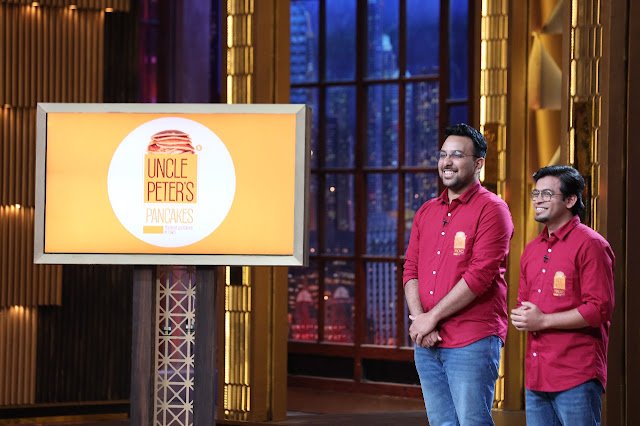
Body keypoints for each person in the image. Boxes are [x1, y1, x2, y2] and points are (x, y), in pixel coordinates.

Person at [403, 123, 514, 425]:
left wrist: (431, 318)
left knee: (472, 422)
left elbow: (480, 276)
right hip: (427, 341)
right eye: (443, 155)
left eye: (457, 155)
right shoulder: (427, 211)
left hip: (471, 339)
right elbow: (410, 269)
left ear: (478, 164)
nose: (447, 162)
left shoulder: (493, 209)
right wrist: (421, 320)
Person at [511, 165, 614, 426]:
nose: (538, 200)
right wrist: (522, 316)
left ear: (570, 200)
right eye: (536, 194)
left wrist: (543, 320)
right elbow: (524, 304)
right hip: (536, 376)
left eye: (547, 194)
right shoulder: (532, 249)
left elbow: (599, 309)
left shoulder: (591, 244)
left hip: (576, 374)